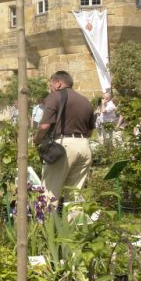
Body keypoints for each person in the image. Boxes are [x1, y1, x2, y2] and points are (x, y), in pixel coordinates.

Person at [34, 71, 95, 203]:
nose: (51, 88)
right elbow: (90, 132)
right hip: (84, 146)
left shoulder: (54, 96)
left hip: (63, 145)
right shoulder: (86, 101)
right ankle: (75, 217)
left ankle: (47, 217)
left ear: (58, 83)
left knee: (49, 192)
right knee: (75, 194)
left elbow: (44, 126)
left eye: (51, 85)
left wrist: (36, 139)